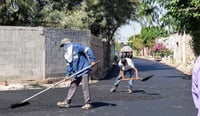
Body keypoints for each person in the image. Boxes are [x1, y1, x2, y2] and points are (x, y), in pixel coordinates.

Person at [57, 38, 96, 110]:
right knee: (73, 85)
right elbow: (69, 66)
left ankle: (88, 103)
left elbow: (88, 50)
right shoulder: (67, 55)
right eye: (63, 46)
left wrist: (92, 60)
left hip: (84, 69)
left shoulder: (76, 47)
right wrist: (67, 75)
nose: (64, 47)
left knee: (85, 86)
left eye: (64, 45)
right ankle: (67, 102)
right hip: (76, 72)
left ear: (67, 44)